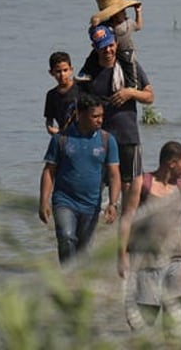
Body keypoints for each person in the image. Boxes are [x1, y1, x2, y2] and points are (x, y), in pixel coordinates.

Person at [117, 141, 181, 338]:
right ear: (172, 163)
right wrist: (121, 256)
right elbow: (127, 220)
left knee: (176, 321)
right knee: (144, 321)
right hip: (146, 261)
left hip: (177, 261)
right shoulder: (142, 183)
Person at [77, 25, 155, 213]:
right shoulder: (88, 73)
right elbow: (79, 106)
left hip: (128, 137)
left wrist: (130, 93)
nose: (108, 50)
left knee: (129, 188)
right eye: (103, 47)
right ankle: (92, 229)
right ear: (94, 48)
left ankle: (125, 237)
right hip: (99, 138)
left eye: (111, 45)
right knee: (95, 185)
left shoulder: (129, 66)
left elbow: (150, 97)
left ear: (116, 43)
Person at [39, 94, 121, 264]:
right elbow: (49, 171)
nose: (100, 120)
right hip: (64, 201)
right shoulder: (61, 139)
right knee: (67, 238)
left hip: (91, 204)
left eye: (101, 116)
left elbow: (114, 175)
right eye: (95, 116)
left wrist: (113, 203)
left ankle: (78, 285)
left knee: (84, 252)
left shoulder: (107, 140)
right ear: (80, 114)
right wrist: (43, 201)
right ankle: (68, 280)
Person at [80, 0, 144, 85]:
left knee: (129, 65)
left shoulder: (128, 23)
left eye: (124, 10)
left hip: (125, 49)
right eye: (122, 11)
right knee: (92, 57)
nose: (124, 13)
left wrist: (138, 12)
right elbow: (93, 34)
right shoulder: (105, 25)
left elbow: (138, 26)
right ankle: (84, 73)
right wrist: (94, 25)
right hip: (109, 48)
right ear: (113, 14)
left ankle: (132, 84)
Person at [44, 51, 79, 135]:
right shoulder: (51, 95)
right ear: (51, 73)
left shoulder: (81, 89)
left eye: (65, 70)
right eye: (58, 71)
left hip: (81, 135)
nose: (62, 74)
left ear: (71, 70)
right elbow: (49, 119)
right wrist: (50, 129)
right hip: (63, 135)